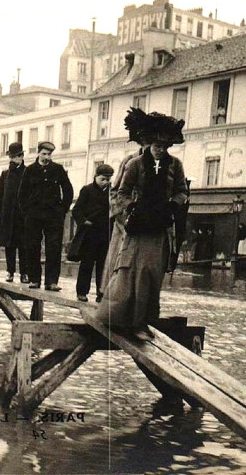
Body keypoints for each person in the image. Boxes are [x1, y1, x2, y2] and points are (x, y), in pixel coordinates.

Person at [97, 109, 188, 342]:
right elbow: (121, 192)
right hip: (136, 228)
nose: (160, 150)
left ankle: (142, 322)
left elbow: (181, 191)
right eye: (157, 145)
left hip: (160, 228)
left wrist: (172, 206)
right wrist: (130, 211)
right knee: (129, 272)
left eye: (164, 146)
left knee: (152, 274)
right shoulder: (135, 164)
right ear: (148, 143)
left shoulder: (175, 165)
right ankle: (119, 318)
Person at [100, 107, 154, 301]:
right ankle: (109, 298)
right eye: (147, 143)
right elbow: (115, 191)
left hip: (147, 223)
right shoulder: (129, 161)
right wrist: (121, 215)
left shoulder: (161, 165)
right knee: (118, 261)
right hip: (125, 221)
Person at [18, 141, 73, 291]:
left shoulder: (58, 170)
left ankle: (51, 282)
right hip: (34, 216)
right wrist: (27, 212)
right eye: (44, 154)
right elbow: (22, 194)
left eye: (49, 154)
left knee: (53, 248)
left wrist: (62, 210)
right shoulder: (29, 170)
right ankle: (34, 279)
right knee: (32, 247)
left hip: (53, 216)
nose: (47, 157)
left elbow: (68, 191)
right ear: (38, 153)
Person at [72, 163, 114, 302]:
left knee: (103, 266)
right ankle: (82, 292)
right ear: (95, 177)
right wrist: (84, 222)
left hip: (104, 234)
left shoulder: (111, 193)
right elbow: (77, 210)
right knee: (87, 264)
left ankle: (101, 294)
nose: (105, 182)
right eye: (103, 179)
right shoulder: (87, 190)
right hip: (89, 234)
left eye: (108, 179)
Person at [0, 142, 28, 283]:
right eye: (11, 157)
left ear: (21, 157)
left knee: (23, 246)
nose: (12, 160)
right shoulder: (5, 174)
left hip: (22, 217)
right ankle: (10, 271)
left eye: (15, 157)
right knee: (9, 245)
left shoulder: (27, 172)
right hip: (7, 216)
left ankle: (24, 274)